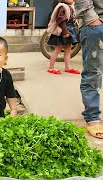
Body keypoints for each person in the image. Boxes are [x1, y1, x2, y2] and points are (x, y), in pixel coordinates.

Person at [74, 0, 103, 138]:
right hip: (96, 23)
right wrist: (91, 18)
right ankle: (93, 117)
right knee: (94, 72)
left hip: (96, 24)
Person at [46, 0, 80, 75]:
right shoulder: (62, 7)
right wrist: (65, 32)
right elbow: (60, 20)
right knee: (57, 50)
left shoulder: (70, 7)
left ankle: (68, 67)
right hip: (63, 31)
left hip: (70, 29)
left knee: (68, 49)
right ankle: (51, 68)